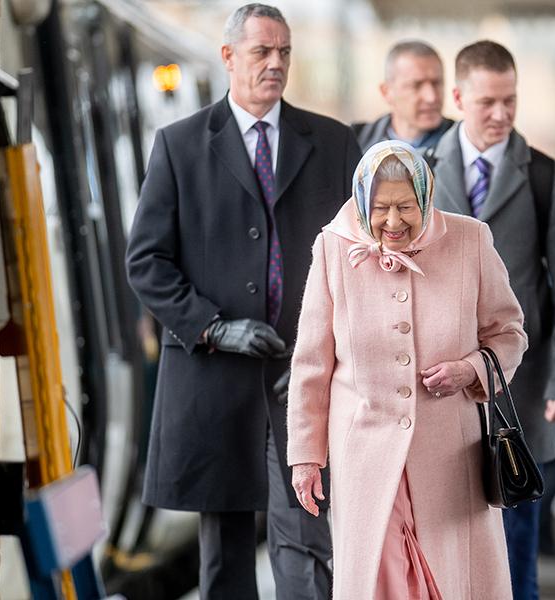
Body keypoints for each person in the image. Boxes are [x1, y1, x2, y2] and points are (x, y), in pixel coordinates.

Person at [125, 4, 360, 598]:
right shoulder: (178, 145)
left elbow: (361, 258)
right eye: (262, 52)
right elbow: (146, 262)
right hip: (213, 377)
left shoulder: (333, 143)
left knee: (309, 541)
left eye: (284, 52)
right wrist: (213, 327)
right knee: (225, 556)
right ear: (229, 57)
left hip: (305, 380)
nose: (275, 63)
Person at [287, 140, 526, 599]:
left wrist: (470, 369)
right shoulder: (333, 248)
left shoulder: (470, 239)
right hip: (364, 452)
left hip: (449, 455)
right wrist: (306, 457)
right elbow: (312, 363)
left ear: (426, 195)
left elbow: (508, 333)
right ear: (361, 202)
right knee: (384, 577)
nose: (393, 222)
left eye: (406, 206)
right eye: (380, 208)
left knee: (450, 580)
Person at [430, 40, 555, 600]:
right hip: (436, 391)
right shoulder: (418, 172)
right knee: (443, 551)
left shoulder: (548, 179)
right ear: (459, 97)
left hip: (519, 389)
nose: (500, 114)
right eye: (488, 102)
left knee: (515, 554)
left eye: (510, 101)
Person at [352, 41, 455, 152]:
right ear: (386, 92)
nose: (431, 97)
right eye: (416, 86)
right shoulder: (354, 143)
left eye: (437, 83)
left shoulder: (465, 145)